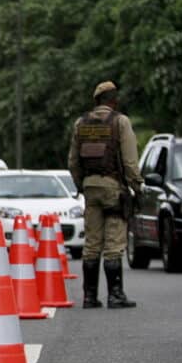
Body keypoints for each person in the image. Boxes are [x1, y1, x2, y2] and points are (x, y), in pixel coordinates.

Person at [68, 81, 142, 309]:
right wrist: (136, 186)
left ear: (96, 101)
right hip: (113, 188)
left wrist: (82, 184)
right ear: (114, 100)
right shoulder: (120, 121)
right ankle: (115, 295)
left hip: (90, 188)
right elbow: (130, 160)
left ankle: (90, 297)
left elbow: (73, 161)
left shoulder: (81, 123)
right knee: (113, 242)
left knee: (91, 243)